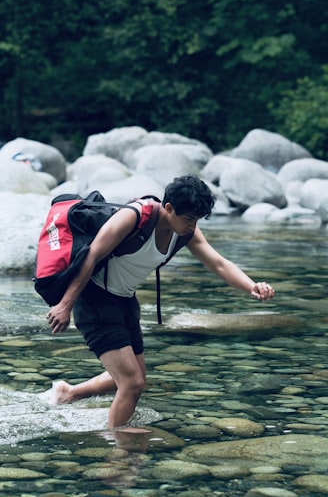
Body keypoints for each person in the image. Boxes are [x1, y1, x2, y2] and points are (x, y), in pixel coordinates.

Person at [43, 174, 275, 428]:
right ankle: (117, 452)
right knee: (132, 384)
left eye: (196, 220)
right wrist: (65, 305)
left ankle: (68, 394)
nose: (192, 226)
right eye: (188, 219)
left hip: (125, 300)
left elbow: (219, 263)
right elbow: (91, 255)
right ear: (168, 208)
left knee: (135, 377)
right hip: (95, 299)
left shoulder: (185, 232)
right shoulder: (134, 217)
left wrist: (252, 285)